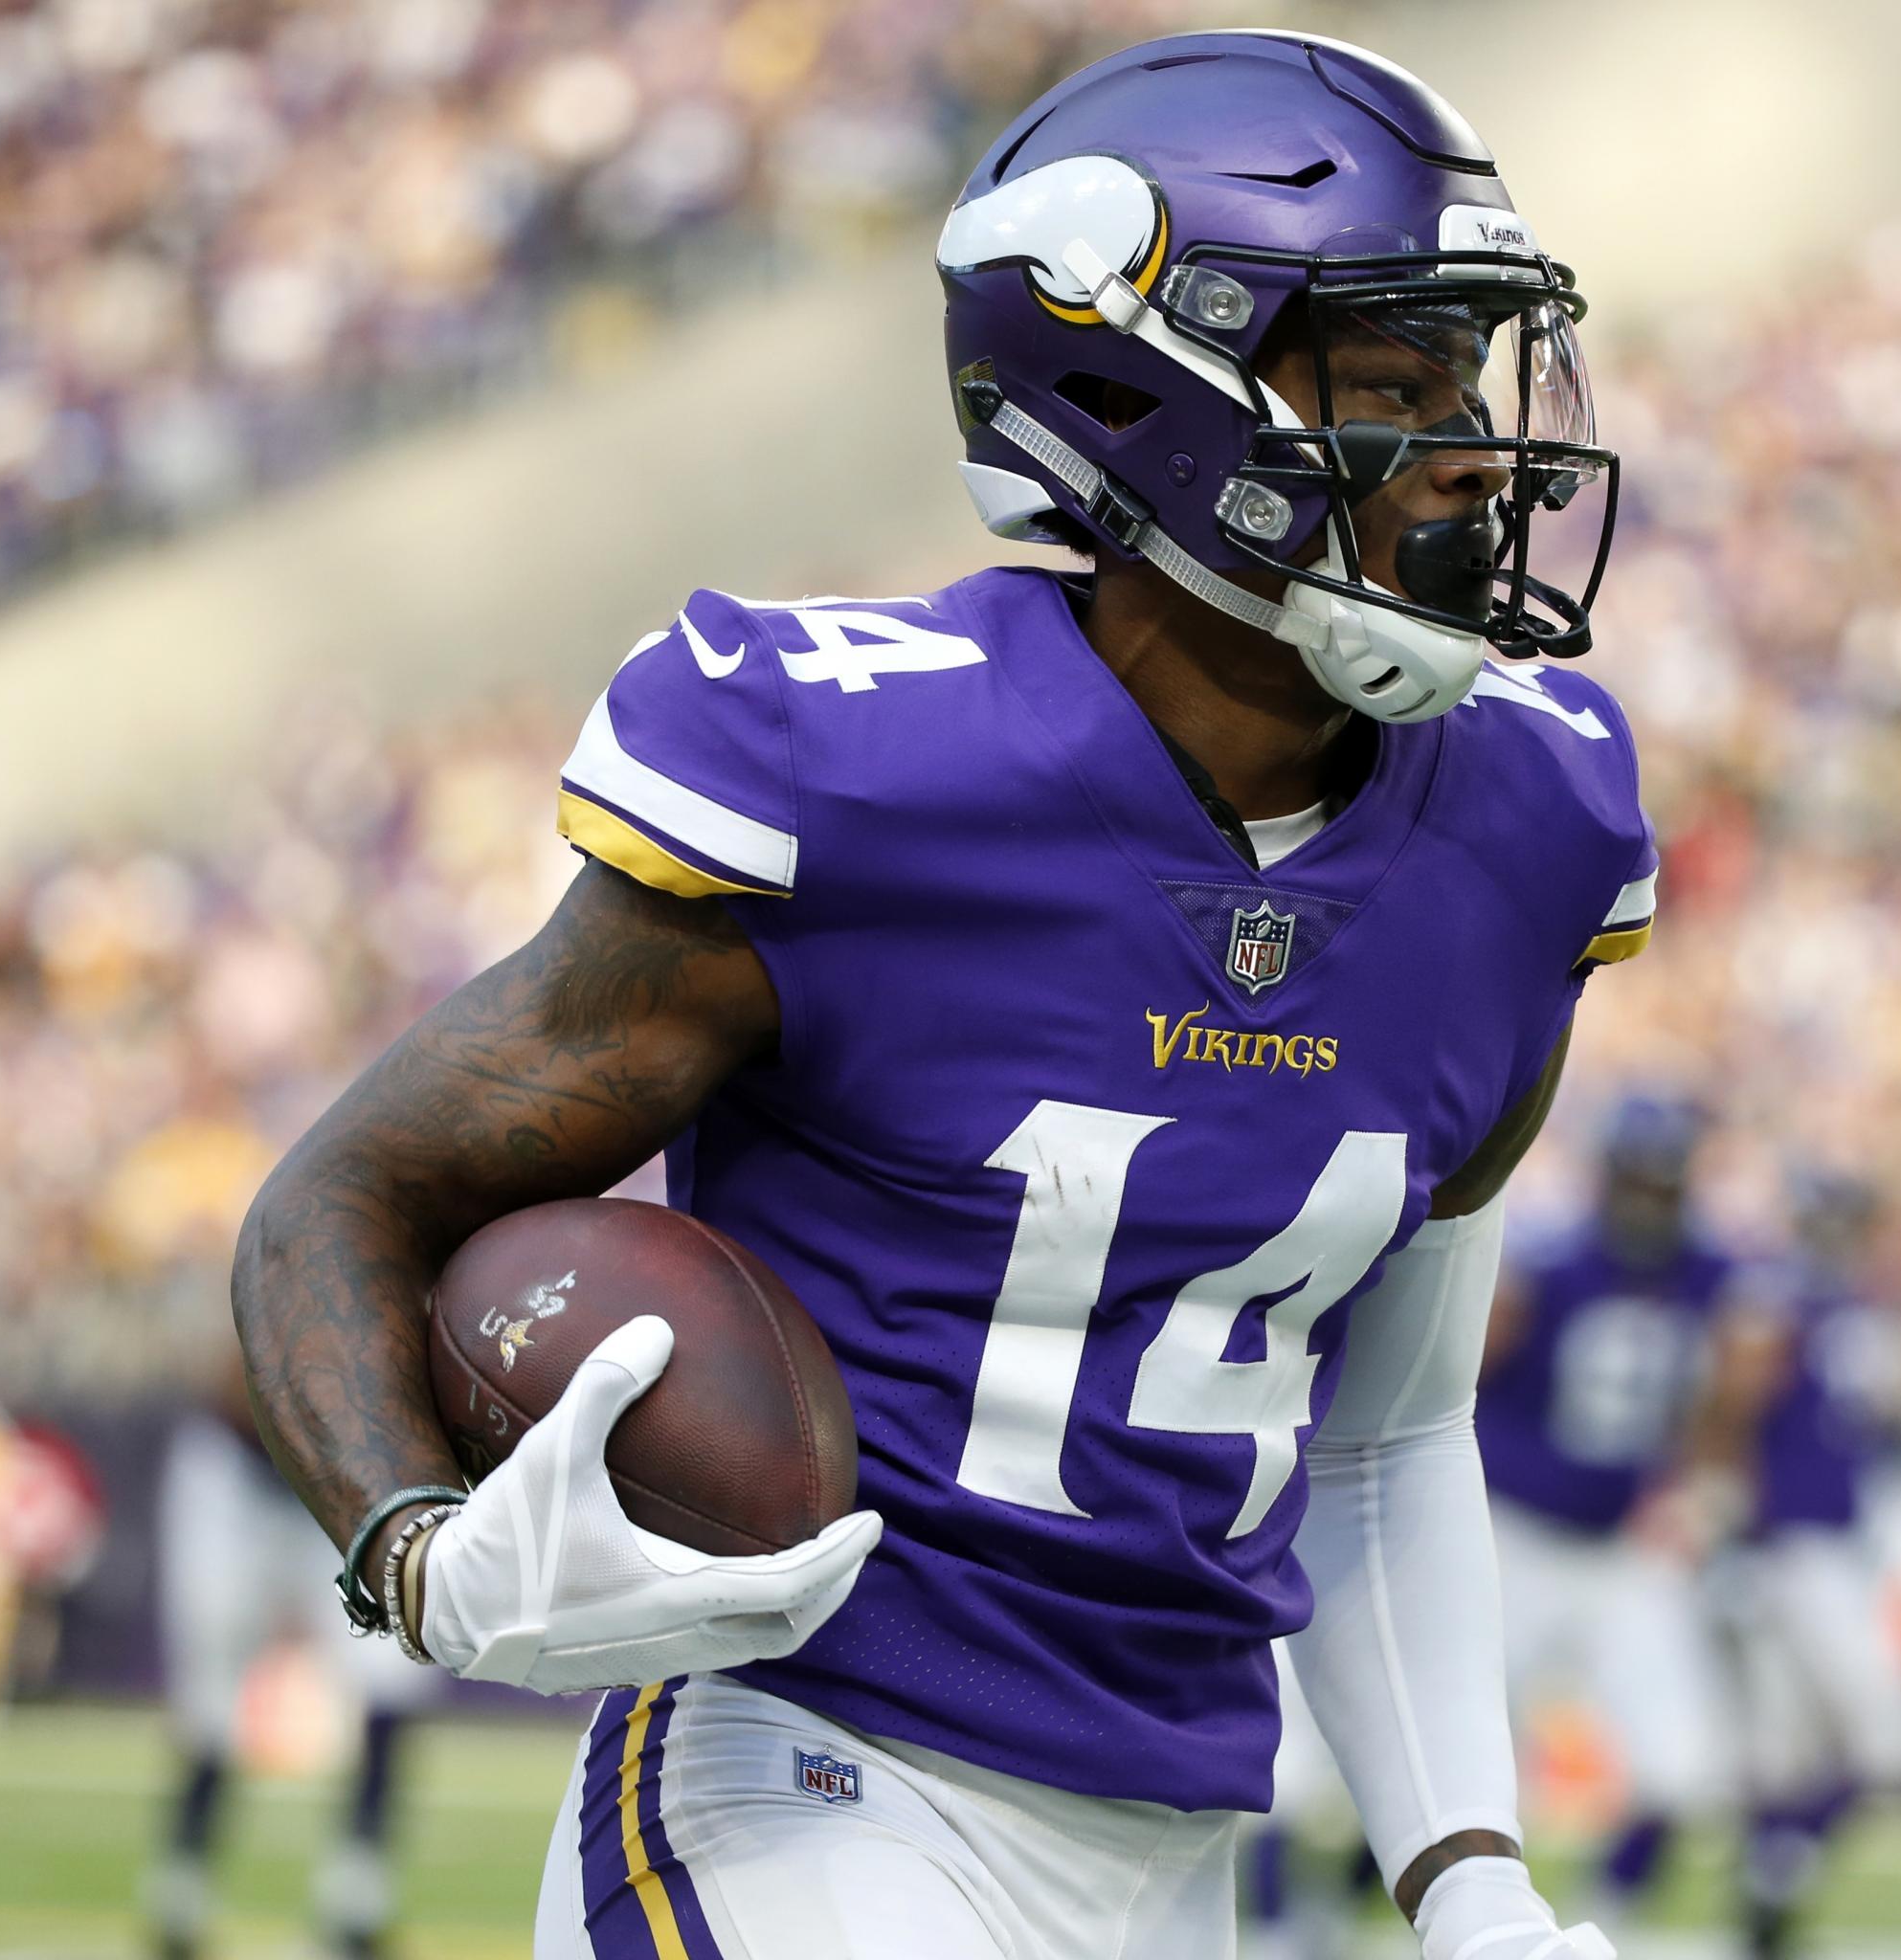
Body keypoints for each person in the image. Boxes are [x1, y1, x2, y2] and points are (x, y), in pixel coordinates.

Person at [230, 31, 1651, 1960]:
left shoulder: (1530, 822)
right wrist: (422, 1554)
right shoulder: (855, 772)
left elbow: (1383, 1436)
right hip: (799, 1776)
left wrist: (1475, 1884)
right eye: (1396, 385)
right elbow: (342, 1202)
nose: (1478, 455)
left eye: (1471, 381)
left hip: (1174, 1852)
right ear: (1148, 390)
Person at [1474, 1096, 1742, 1924]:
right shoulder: (1542, 1264)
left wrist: (1701, 1488)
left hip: (1625, 1548)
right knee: (1455, 1761)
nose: (1646, 1200)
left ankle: (1608, 1912)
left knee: (1684, 1766)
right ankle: (1346, 1893)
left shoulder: (1715, 1278)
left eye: (1661, 1184)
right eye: (1637, 1179)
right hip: (1514, 1534)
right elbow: (1460, 1383)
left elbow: (1729, 1403)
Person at [1705, 1169, 1901, 1960]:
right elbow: (1727, 1414)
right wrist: (1729, 1528)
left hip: (1846, 1546)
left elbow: (1880, 1428)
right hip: (1792, 1549)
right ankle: (1775, 1877)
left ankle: (1771, 1888)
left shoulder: (1863, 1312)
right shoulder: (1775, 1303)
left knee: (1799, 1755)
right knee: (1889, 1742)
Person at [147, 1370, 440, 1960]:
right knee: (210, 1697)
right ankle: (181, 1889)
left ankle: (358, 1895)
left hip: (345, 1474)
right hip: (241, 1472)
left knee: (392, 1674)